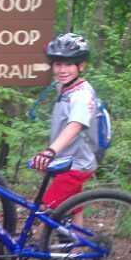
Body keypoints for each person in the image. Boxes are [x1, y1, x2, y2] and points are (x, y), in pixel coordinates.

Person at [30, 33, 98, 226]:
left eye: (68, 64)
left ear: (81, 66)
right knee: (74, 205)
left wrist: (50, 151)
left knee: (45, 207)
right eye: (58, 64)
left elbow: (75, 125)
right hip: (68, 160)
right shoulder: (65, 87)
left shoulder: (82, 95)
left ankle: (39, 241)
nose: (62, 70)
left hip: (76, 164)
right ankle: (77, 244)